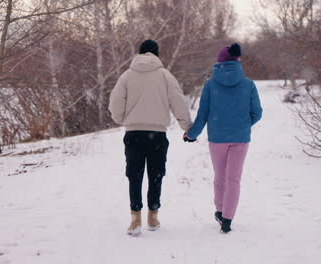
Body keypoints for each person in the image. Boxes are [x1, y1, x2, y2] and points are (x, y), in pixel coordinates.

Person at [109, 40, 192, 236]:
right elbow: (178, 101)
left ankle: (135, 220)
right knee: (156, 175)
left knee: (134, 175)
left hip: (133, 134)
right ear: (156, 54)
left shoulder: (127, 76)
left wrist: (122, 119)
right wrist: (187, 126)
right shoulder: (165, 76)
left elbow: (115, 102)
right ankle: (153, 217)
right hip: (157, 135)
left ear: (139, 53)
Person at [184, 43, 263, 234]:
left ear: (219, 62)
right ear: (237, 61)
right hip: (240, 139)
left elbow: (203, 114)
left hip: (217, 139)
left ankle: (220, 211)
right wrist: (242, 126)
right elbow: (257, 113)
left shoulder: (211, 84)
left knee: (220, 178)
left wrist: (191, 134)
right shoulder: (248, 84)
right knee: (233, 179)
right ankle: (227, 219)